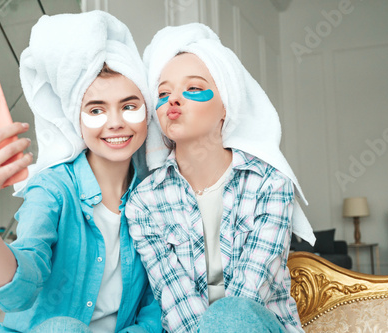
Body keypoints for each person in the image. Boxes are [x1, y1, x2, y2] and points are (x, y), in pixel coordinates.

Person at [0, 11, 162, 332]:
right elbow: (22, 285)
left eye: (129, 106)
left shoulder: (158, 195)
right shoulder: (52, 188)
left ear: (146, 111)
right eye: (96, 109)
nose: (116, 121)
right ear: (76, 119)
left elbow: (157, 305)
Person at [125, 23, 316, 333]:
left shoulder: (269, 183)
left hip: (255, 325)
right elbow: (175, 301)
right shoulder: (144, 202)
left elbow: (249, 297)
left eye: (194, 88)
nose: (173, 100)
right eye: (163, 92)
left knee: (232, 314)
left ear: (226, 104)